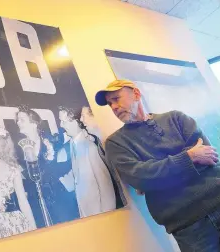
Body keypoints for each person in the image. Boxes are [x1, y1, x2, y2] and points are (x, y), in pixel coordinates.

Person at [96, 79, 220, 252]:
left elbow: (209, 156)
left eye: (116, 98)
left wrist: (158, 175)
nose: (114, 107)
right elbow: (141, 178)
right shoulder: (116, 143)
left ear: (136, 94)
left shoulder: (176, 118)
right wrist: (189, 157)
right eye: (110, 104)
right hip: (188, 226)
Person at [15, 107, 79, 227]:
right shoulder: (19, 150)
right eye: (17, 120)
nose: (18, 122)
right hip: (36, 201)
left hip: (57, 198)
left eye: (22, 120)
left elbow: (63, 166)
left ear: (33, 123)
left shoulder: (51, 142)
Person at [58, 107, 116, 217]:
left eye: (63, 121)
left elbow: (106, 186)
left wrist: (109, 216)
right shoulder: (72, 144)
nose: (61, 125)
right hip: (86, 214)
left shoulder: (90, 146)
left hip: (101, 214)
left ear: (76, 122)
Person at [79, 106, 126, 208]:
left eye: (83, 116)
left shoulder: (116, 140)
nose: (81, 120)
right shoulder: (99, 144)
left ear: (95, 116)